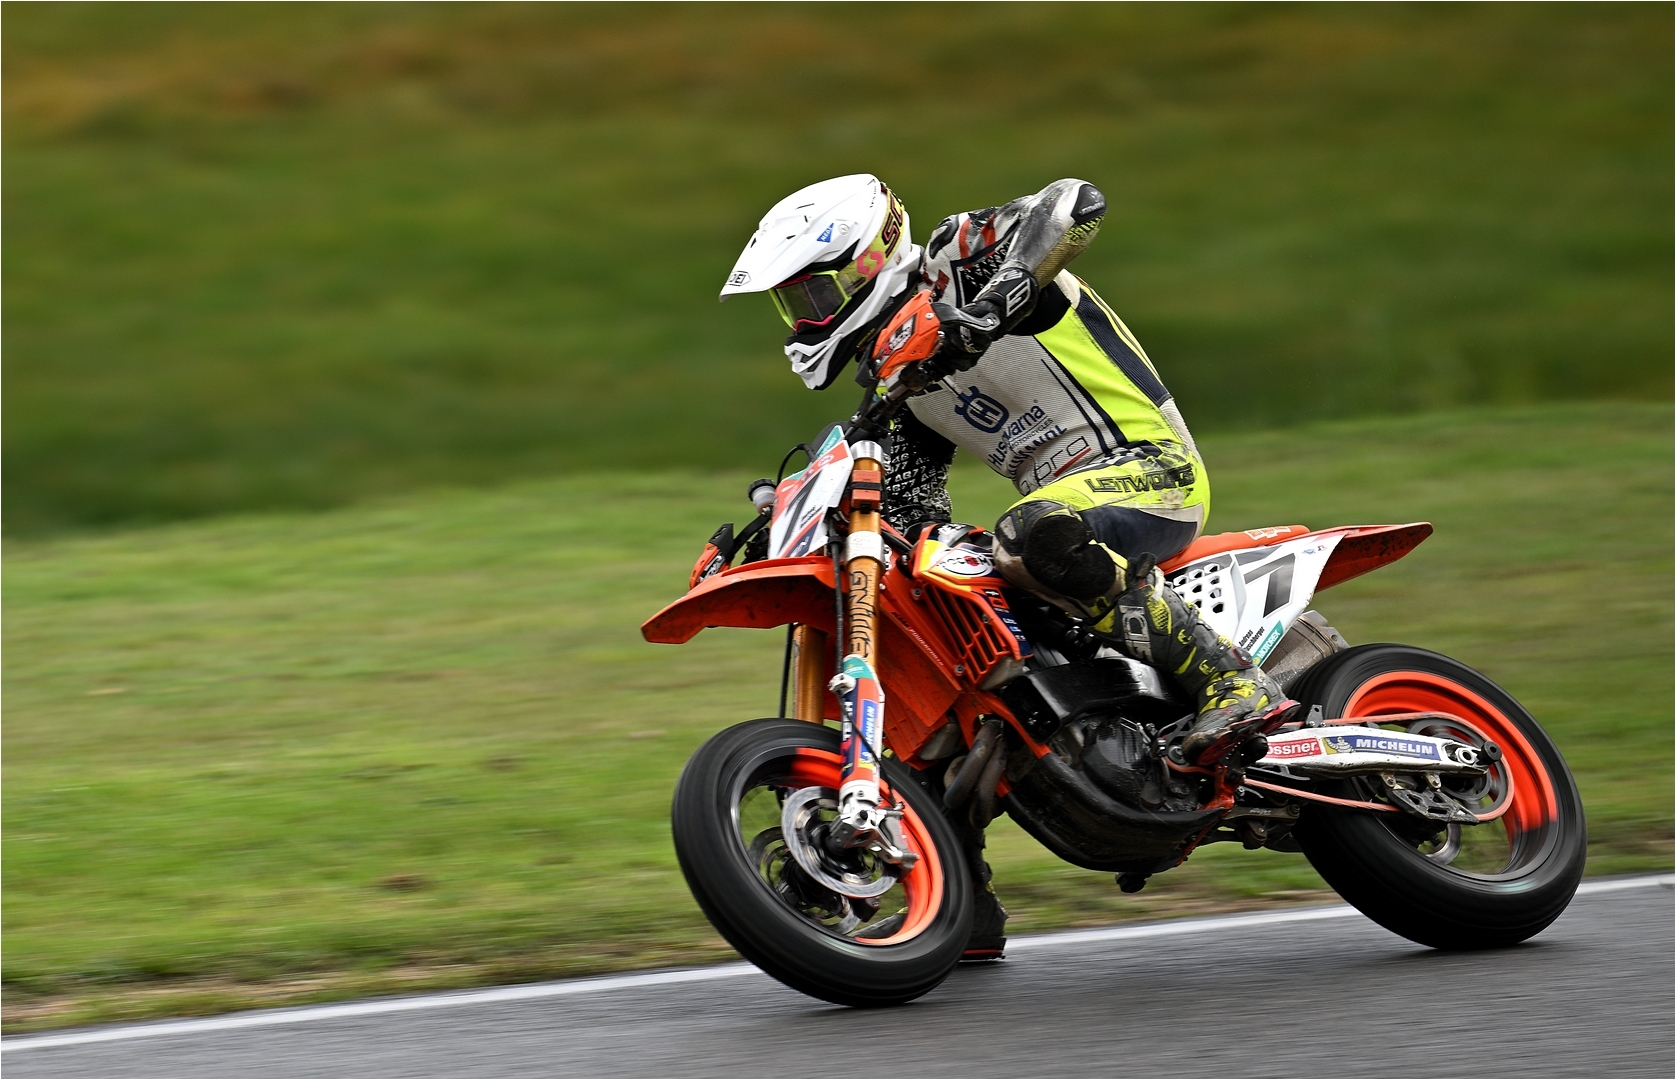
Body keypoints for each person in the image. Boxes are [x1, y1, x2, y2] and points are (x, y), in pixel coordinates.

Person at [721, 174, 1286, 955]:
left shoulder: (957, 259)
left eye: (814, 293)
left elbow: (1074, 206)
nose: (807, 317)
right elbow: (911, 508)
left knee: (1026, 533)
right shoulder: (899, 377)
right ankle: (957, 897)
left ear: (870, 257)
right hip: (1067, 508)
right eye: (793, 305)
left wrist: (989, 306)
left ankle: (1232, 682)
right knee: (929, 616)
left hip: (1150, 471)